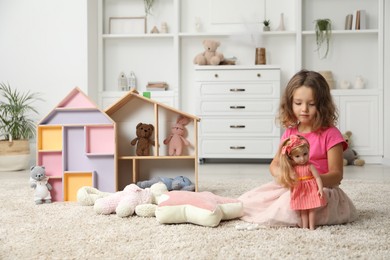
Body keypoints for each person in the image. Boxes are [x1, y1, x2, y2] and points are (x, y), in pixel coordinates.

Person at [238, 69, 357, 227]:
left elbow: (337, 175)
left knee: (289, 204)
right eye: (298, 103)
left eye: (312, 104)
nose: (304, 109)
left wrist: (313, 181)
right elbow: (274, 165)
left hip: (320, 189)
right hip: (293, 186)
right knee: (249, 200)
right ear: (290, 103)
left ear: (322, 105)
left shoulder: (331, 133)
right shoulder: (290, 133)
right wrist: (285, 176)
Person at [278, 134, 326, 230]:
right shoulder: (293, 169)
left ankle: (312, 226)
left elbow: (317, 178)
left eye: (305, 154)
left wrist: (320, 188)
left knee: (312, 209)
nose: (302, 159)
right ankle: (304, 227)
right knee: (303, 210)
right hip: (300, 190)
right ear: (291, 157)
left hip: (311, 189)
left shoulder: (310, 166)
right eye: (297, 156)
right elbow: (291, 180)